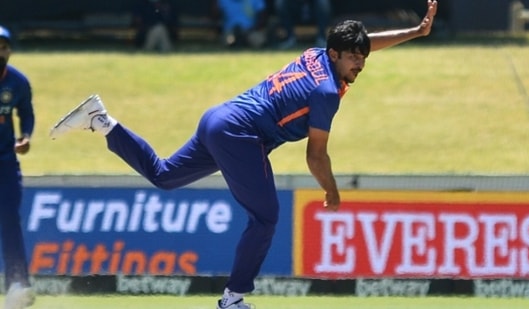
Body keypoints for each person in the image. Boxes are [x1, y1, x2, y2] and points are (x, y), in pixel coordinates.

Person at [49, 1, 437, 308]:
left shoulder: (317, 54)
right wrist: (332, 192)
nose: (361, 63)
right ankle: (233, 298)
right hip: (239, 134)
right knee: (266, 217)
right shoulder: (325, 93)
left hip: (218, 118)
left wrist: (416, 32)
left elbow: (366, 41)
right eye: (354, 57)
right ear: (335, 54)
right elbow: (315, 156)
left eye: (363, 56)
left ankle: (102, 121)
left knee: (164, 176)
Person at [0, 25, 36, 309]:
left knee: (10, 221)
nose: (0, 52)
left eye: (4, 46)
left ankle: (18, 285)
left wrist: (25, 136)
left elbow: (26, 113)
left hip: (5, 165)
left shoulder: (17, 82)